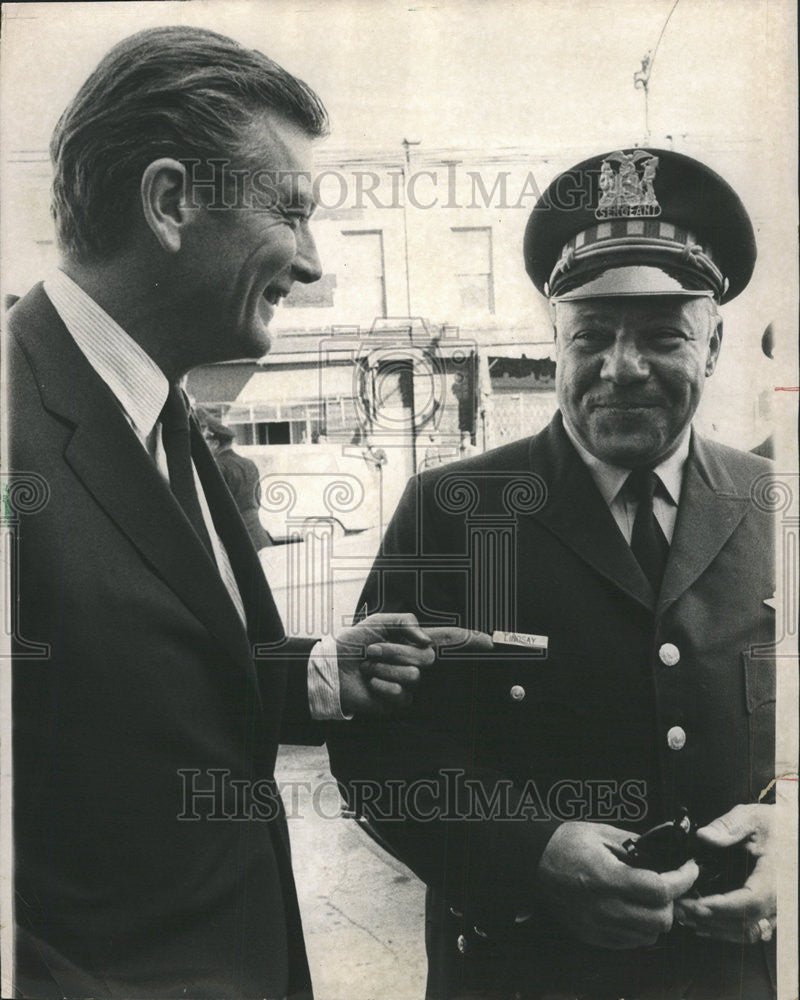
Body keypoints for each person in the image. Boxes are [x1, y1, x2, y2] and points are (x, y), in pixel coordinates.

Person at [6, 27, 486, 999]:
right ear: (172, 201)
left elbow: (142, 692)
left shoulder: (163, 413)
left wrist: (316, 669)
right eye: (292, 213)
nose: (309, 262)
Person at [328, 148, 777, 998]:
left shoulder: (775, 506)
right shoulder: (458, 509)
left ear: (712, 344)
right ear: (556, 343)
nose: (621, 368)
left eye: (660, 336)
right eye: (592, 337)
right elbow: (376, 746)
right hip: (524, 970)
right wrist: (527, 850)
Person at [198, 408, 274, 550]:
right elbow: (258, 497)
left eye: (206, 441)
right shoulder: (249, 464)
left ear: (215, 443)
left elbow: (215, 507)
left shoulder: (218, 468)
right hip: (259, 534)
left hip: (236, 537)